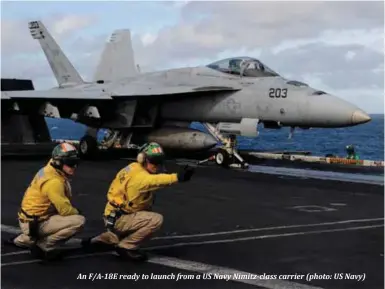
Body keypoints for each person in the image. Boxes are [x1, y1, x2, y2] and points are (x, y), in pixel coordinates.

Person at [82, 142, 194, 261]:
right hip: (120, 218)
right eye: (153, 161)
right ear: (143, 159)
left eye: (158, 162)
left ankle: (98, 240)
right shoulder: (141, 178)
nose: (156, 165)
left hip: (112, 214)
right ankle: (127, 246)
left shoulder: (133, 167)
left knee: (136, 218)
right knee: (155, 220)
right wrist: (177, 177)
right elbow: (154, 181)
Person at [12, 142, 85, 260]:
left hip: (31, 219)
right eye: (71, 164)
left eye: (76, 163)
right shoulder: (54, 182)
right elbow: (65, 210)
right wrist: (77, 212)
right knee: (79, 221)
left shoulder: (48, 169)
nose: (74, 167)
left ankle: (26, 239)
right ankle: (44, 246)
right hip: (36, 222)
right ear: (59, 162)